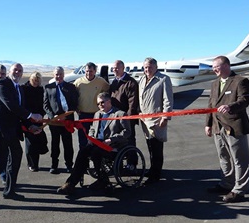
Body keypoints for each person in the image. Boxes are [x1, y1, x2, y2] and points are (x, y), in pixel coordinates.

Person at [0, 63, 43, 212]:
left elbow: (19, 110)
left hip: (12, 130)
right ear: (10, 72)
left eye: (20, 70)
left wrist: (29, 126)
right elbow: (11, 105)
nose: (18, 72)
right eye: (15, 70)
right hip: (0, 129)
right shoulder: (2, 84)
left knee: (16, 156)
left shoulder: (19, 88)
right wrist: (31, 116)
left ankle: (9, 190)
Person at [57, 92, 131, 195]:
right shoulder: (97, 114)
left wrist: (112, 139)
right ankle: (70, 183)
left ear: (109, 101)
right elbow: (92, 128)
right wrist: (90, 136)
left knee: (96, 153)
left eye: (102, 103)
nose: (100, 106)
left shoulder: (120, 114)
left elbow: (127, 132)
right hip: (97, 142)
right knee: (82, 152)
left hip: (112, 145)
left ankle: (102, 180)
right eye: (98, 104)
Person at [205, 55, 249, 203]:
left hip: (234, 126)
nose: (214, 70)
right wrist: (208, 124)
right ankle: (227, 183)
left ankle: (239, 190)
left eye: (216, 67)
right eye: (213, 68)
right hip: (218, 127)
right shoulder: (214, 83)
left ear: (225, 66)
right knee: (223, 157)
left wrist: (230, 107)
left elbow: (244, 101)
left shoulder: (240, 81)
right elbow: (211, 105)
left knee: (240, 159)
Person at [138, 57, 173, 185]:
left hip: (157, 120)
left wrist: (165, 117)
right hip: (144, 119)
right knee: (150, 147)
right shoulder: (142, 79)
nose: (147, 69)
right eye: (146, 67)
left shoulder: (163, 79)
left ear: (156, 67)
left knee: (157, 147)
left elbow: (168, 100)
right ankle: (153, 169)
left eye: (150, 67)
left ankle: (155, 174)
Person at [44, 66, 78, 174]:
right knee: (55, 144)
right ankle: (54, 165)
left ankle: (69, 165)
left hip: (67, 120)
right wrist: (52, 116)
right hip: (54, 122)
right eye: (56, 74)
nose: (58, 76)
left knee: (68, 144)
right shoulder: (48, 87)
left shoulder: (71, 87)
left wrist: (66, 115)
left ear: (64, 75)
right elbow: (45, 105)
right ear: (54, 75)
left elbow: (74, 103)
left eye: (60, 74)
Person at [73, 62, 109, 149]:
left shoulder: (101, 82)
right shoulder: (78, 82)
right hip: (83, 115)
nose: (89, 73)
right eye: (87, 71)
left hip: (97, 115)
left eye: (91, 71)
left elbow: (108, 94)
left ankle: (96, 160)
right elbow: (73, 96)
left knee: (97, 138)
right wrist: (76, 108)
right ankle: (83, 161)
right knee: (83, 140)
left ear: (95, 71)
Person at [21, 72, 48, 172]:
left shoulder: (40, 89)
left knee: (38, 140)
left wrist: (41, 114)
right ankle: (32, 164)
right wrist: (29, 116)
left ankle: (36, 163)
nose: (36, 82)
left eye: (38, 80)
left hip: (39, 119)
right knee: (30, 143)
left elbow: (43, 104)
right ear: (30, 79)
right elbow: (22, 105)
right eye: (34, 80)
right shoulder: (24, 88)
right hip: (27, 119)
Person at [109, 60, 139, 146]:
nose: (115, 70)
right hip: (115, 118)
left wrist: (128, 120)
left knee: (129, 142)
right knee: (117, 142)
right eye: (113, 68)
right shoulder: (114, 82)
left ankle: (132, 159)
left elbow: (133, 104)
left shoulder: (131, 83)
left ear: (123, 68)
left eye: (117, 68)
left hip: (126, 119)